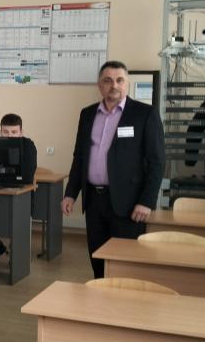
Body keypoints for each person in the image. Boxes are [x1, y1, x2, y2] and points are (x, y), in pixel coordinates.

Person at [62, 60, 165, 278]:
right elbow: (79, 157)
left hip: (128, 203)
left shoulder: (145, 114)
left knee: (124, 263)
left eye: (120, 80)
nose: (114, 85)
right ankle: (100, 294)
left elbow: (157, 162)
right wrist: (70, 193)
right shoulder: (87, 114)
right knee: (97, 259)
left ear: (127, 83)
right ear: (100, 85)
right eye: (108, 81)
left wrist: (146, 201)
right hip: (94, 201)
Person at [0, 113, 37, 266]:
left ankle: (17, 254)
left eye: (14, 132)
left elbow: (26, 177)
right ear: (0, 132)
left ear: (21, 132)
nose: (10, 136)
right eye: (6, 132)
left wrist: (0, 176)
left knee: (15, 222)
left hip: (21, 197)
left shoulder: (28, 146)